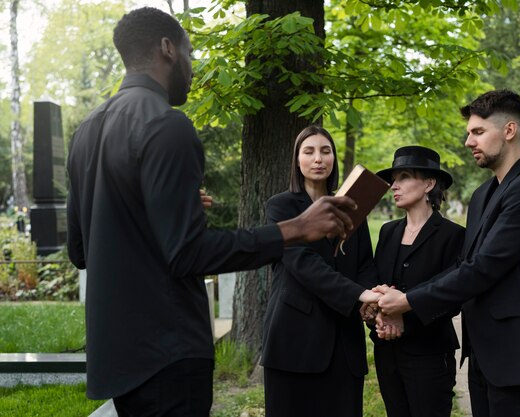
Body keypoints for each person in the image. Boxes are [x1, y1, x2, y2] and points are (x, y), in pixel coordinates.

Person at [66, 8, 357, 417]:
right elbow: (188, 254)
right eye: (190, 51)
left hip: (119, 358)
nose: (192, 65)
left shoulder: (85, 131)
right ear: (168, 49)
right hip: (169, 353)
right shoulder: (169, 126)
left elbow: (81, 250)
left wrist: (166, 212)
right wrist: (293, 229)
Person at [376, 90, 520, 417]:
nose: (468, 141)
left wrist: (406, 302)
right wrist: (401, 302)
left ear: (509, 130)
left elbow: (481, 269)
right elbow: (462, 265)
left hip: (517, 358)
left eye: (477, 132)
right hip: (483, 358)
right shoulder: (481, 195)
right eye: (469, 133)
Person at [261, 125, 380, 417]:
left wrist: (367, 301)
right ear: (297, 160)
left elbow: (365, 263)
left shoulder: (352, 206)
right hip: (294, 341)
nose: (318, 159)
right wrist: (359, 295)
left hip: (344, 343)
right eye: (309, 151)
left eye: (326, 151)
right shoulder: (281, 207)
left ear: (334, 159)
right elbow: (303, 263)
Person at [367, 146, 465, 417]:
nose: (394, 186)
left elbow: (452, 298)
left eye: (404, 177)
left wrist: (404, 317)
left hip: (430, 354)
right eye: (393, 179)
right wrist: (379, 316)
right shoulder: (388, 232)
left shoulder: (453, 235)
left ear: (429, 184)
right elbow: (377, 284)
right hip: (388, 353)